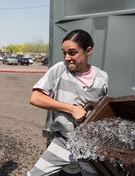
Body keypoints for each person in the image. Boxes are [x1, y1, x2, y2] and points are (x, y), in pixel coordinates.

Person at [27, 29, 108, 176]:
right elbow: (35, 98)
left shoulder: (102, 77)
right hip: (64, 141)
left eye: (72, 52)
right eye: (64, 53)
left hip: (89, 145)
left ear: (88, 50)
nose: (67, 57)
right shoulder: (59, 70)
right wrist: (71, 109)